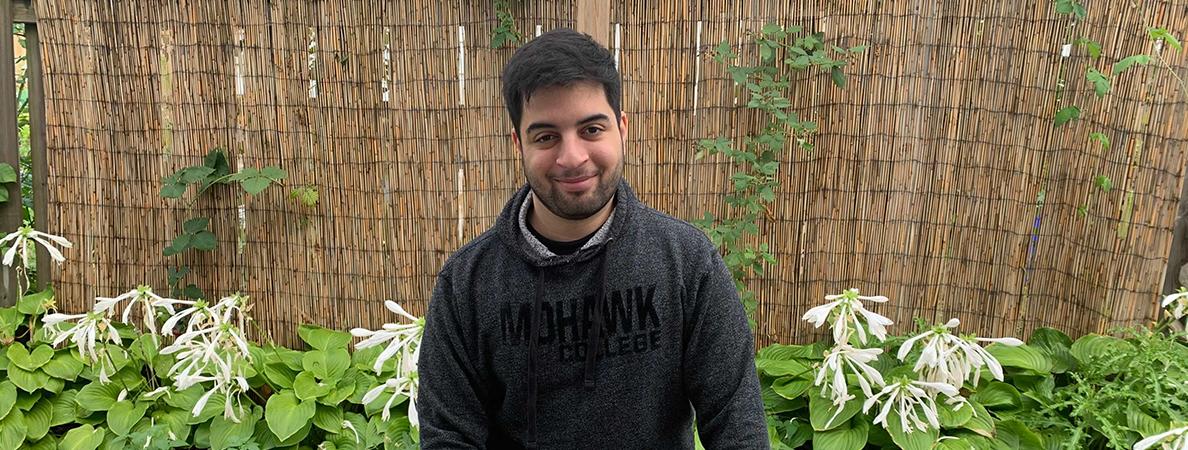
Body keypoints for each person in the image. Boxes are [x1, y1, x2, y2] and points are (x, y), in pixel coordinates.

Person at [417, 28, 768, 449]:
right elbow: (448, 438)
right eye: (546, 137)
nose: (572, 157)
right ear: (518, 144)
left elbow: (737, 425)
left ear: (621, 128)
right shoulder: (467, 284)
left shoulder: (687, 263)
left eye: (591, 130)